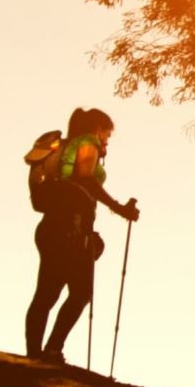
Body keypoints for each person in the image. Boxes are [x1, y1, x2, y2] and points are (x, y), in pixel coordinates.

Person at [25, 107, 139, 362]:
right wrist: (119, 208)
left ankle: (35, 354)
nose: (107, 141)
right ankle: (51, 350)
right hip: (70, 229)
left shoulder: (68, 146)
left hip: (53, 227)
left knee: (47, 293)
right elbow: (86, 180)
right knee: (79, 292)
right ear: (98, 128)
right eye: (107, 135)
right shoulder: (88, 142)